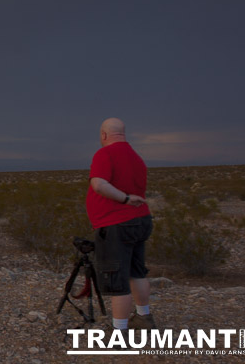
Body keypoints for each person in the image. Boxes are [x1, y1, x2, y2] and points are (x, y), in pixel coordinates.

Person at [86, 118, 156, 331]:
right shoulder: (136, 157)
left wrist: (124, 199)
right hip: (140, 220)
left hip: (117, 224)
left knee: (118, 281)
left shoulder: (104, 154)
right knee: (137, 272)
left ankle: (119, 332)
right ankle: (144, 318)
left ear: (104, 135)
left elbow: (98, 184)